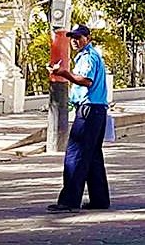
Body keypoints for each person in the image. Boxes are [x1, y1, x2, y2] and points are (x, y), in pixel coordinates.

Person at [47, 24, 110, 213]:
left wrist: (64, 73)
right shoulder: (88, 56)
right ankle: (99, 199)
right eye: (73, 38)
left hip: (89, 110)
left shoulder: (88, 57)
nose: (75, 41)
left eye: (79, 37)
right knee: (93, 156)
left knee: (75, 155)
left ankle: (69, 200)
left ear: (87, 38)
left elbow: (86, 81)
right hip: (96, 110)